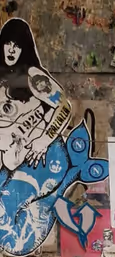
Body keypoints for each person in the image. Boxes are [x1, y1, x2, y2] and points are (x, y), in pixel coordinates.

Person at [0, 18, 72, 172]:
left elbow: (64, 106)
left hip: (28, 153)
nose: (11, 50)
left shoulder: (32, 75)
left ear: (24, 49)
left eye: (17, 46)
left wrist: (44, 140)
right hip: (7, 146)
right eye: (8, 44)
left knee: (9, 161)